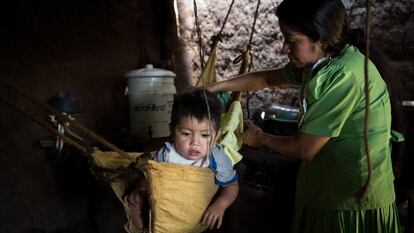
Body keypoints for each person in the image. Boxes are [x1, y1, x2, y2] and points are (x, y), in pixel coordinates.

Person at [205, 0, 401, 232]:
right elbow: (267, 78)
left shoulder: (344, 75)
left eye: (291, 40)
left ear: (322, 39)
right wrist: (213, 87)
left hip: (350, 199)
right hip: (325, 188)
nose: (283, 49)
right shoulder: (320, 63)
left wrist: (261, 139)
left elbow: (305, 148)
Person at [123, 89, 239, 232]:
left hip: (197, 212)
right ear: (172, 131)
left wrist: (221, 204)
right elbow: (149, 175)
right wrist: (139, 188)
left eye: (205, 135)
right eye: (186, 134)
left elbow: (232, 185)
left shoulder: (217, 157)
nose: (195, 143)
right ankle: (140, 215)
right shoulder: (167, 153)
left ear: (216, 137)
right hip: (167, 208)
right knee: (137, 200)